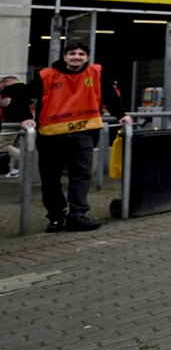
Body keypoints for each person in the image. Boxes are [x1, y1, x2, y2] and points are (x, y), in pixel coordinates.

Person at [22, 42, 132, 232]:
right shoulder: (46, 75)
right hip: (51, 136)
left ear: (87, 58)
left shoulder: (96, 73)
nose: (77, 57)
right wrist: (25, 118)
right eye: (72, 53)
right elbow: (22, 97)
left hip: (83, 133)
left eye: (81, 54)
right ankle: (56, 217)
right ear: (64, 57)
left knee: (81, 175)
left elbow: (109, 95)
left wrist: (121, 115)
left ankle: (77, 216)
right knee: (51, 178)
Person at [1, 74, 30, 177]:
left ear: (7, 81)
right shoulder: (25, 88)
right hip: (25, 121)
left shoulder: (9, 89)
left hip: (12, 120)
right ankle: (15, 170)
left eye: (2, 84)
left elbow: (6, 103)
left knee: (3, 144)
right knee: (17, 145)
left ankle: (24, 158)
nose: (2, 87)